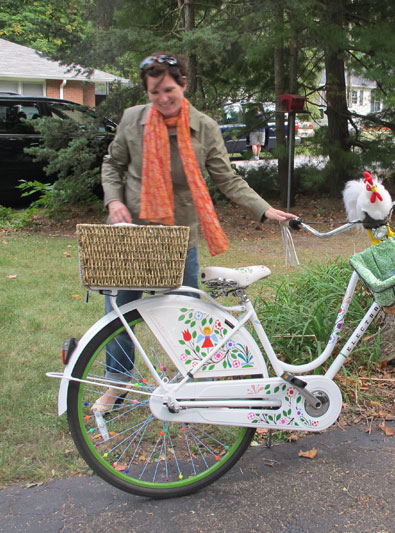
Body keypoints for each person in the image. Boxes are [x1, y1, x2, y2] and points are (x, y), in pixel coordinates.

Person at [92, 52, 296, 413]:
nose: (163, 98)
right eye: (154, 92)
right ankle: (117, 384)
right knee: (120, 313)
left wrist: (264, 209)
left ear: (183, 85)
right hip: (134, 233)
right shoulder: (132, 120)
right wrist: (113, 202)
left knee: (185, 315)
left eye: (169, 89)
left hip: (179, 236)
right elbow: (113, 164)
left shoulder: (204, 127)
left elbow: (226, 178)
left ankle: (188, 386)